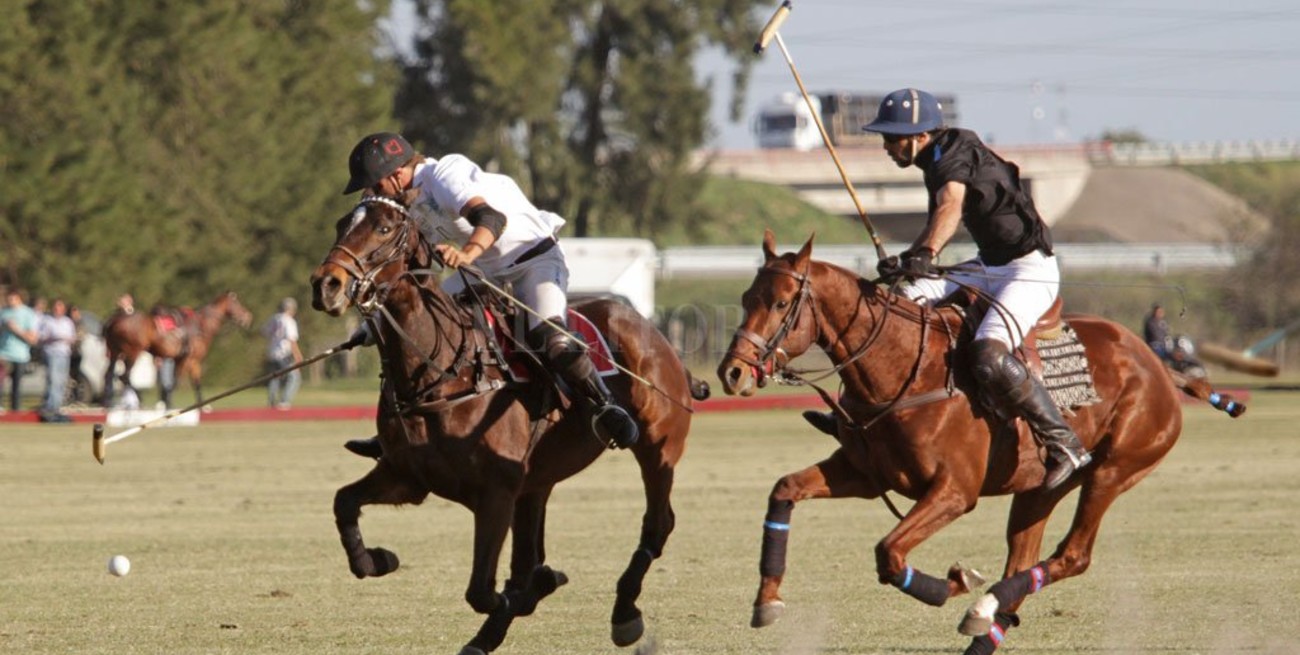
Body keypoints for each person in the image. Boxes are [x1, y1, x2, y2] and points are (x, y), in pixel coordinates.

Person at [802, 88, 1090, 491]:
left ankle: (1064, 442)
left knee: (988, 354)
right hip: (989, 267)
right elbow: (940, 215)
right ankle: (855, 414)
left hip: (1029, 270)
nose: (886, 146)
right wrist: (908, 260)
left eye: (891, 137)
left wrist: (927, 252)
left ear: (919, 135)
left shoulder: (952, 153)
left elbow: (950, 207)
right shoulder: (934, 159)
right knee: (896, 305)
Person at [338, 132, 639, 455]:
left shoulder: (445, 174)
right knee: (411, 324)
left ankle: (605, 406)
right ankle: (394, 431)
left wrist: (466, 254)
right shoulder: (404, 203)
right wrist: (375, 325)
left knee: (552, 338)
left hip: (533, 260)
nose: (371, 192)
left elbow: (491, 218)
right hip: (483, 271)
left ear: (397, 174)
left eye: (375, 184)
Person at [0, 288, 40, 413]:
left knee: (16, 386)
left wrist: (15, 329)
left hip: (20, 355)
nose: (9, 301)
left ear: (19, 298)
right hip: (3, 354)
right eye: (8, 298)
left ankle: (15, 411)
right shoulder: (3, 313)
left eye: (12, 298)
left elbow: (33, 339)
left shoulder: (28, 314)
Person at [37, 298, 77, 421]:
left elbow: (73, 338)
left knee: (61, 381)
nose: (57, 309)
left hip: (64, 354)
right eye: (56, 307)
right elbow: (41, 337)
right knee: (53, 380)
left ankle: (57, 405)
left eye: (60, 307)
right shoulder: (47, 321)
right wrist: (53, 338)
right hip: (52, 353)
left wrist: (67, 339)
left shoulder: (67, 322)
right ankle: (51, 407)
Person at [262, 297, 303, 409]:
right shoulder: (289, 321)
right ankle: (284, 401)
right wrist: (298, 356)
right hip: (284, 354)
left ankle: (271, 402)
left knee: (275, 377)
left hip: (273, 353)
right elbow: (292, 340)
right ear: (291, 309)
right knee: (294, 377)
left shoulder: (274, 318)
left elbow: (264, 332)